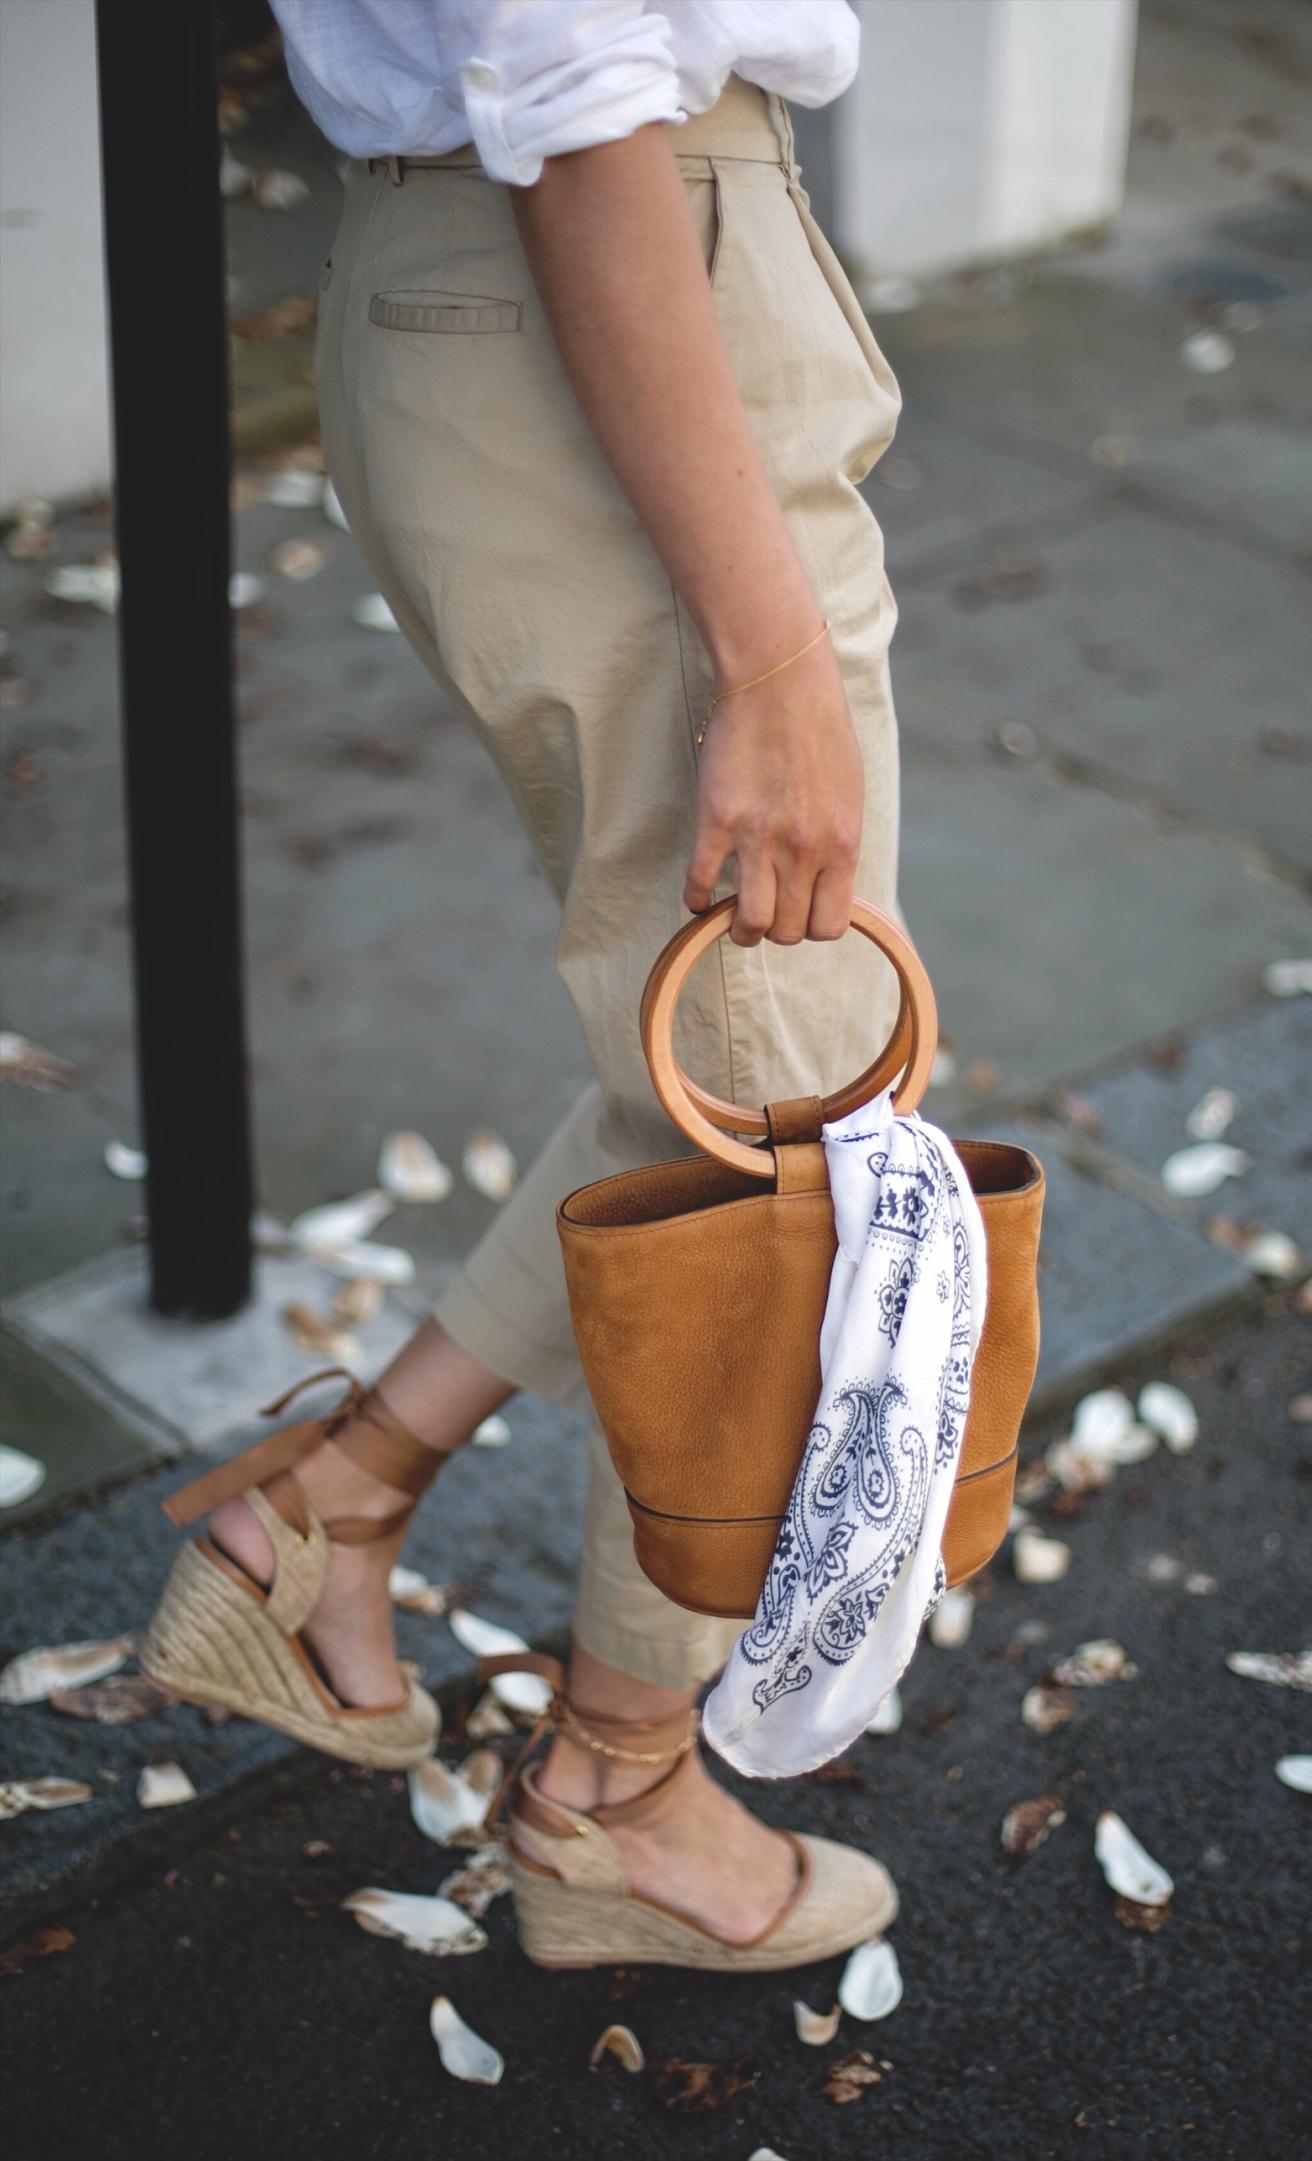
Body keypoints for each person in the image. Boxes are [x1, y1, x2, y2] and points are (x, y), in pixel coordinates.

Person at [142, 0, 907, 1973]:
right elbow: (568, 80)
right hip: (610, 248)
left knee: (723, 1075)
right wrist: (767, 656)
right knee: (787, 1116)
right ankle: (618, 1794)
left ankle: (330, 1501)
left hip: (591, 249)